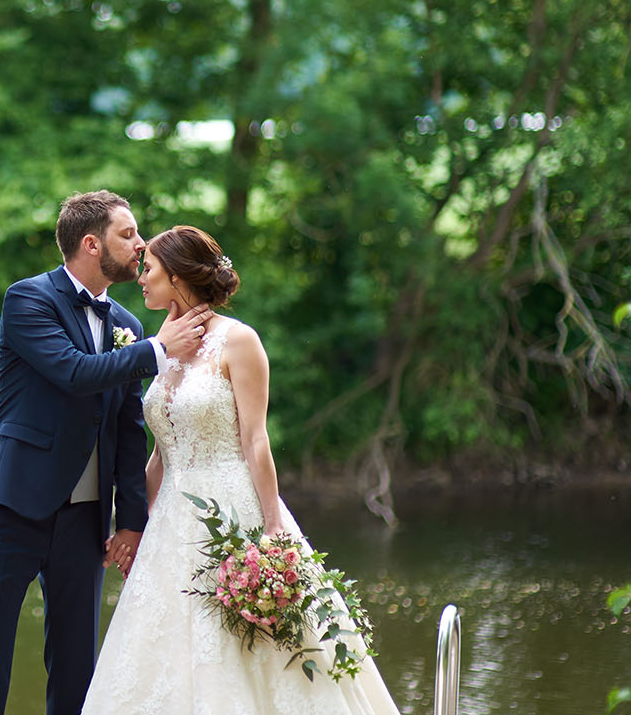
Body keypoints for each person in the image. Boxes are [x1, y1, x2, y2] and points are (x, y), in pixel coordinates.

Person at [80, 225, 403, 715]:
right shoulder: (160, 347)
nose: (140, 278)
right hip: (170, 521)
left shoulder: (239, 341)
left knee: (251, 647)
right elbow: (162, 453)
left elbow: (255, 440)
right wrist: (133, 526)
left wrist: (273, 527)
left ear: (179, 275)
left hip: (233, 509)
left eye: (149, 270)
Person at [0, 191, 212, 715]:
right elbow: (72, 372)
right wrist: (160, 351)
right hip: (13, 507)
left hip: (85, 521)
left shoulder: (128, 325)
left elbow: (127, 426)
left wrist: (132, 521)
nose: (140, 245)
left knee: (77, 671)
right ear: (92, 244)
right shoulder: (27, 299)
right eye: (128, 234)